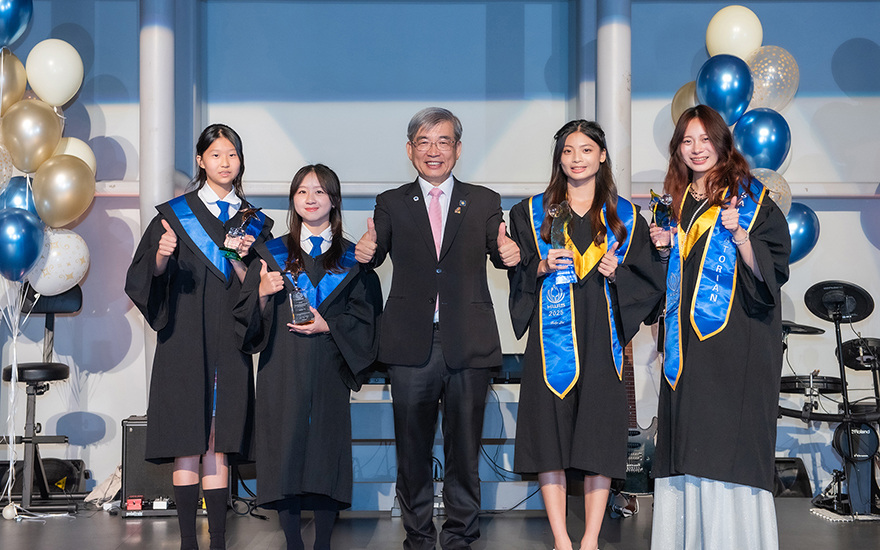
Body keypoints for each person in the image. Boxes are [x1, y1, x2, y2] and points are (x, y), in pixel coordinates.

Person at [355, 107, 520, 550]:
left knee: (464, 451)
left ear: (458, 149)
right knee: (412, 452)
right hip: (411, 345)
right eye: (424, 142)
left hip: (468, 342)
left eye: (443, 141)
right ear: (410, 150)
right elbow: (375, 251)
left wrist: (508, 252)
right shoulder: (391, 202)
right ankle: (418, 537)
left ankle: (461, 536)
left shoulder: (483, 200)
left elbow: (499, 249)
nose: (434, 150)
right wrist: (367, 249)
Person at [507, 120, 665, 550]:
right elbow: (518, 273)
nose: (577, 159)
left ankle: (591, 538)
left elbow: (650, 283)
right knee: (550, 438)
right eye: (568, 151)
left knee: (598, 436)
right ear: (559, 159)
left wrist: (619, 275)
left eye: (586, 150)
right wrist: (540, 266)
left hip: (602, 339)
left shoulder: (626, 217)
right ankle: (561, 538)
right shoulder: (530, 213)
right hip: (550, 343)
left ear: (602, 155)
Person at [648, 105, 791, 550]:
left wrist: (742, 237)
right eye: (687, 141)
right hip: (686, 349)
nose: (696, 149)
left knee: (725, 442)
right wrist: (662, 248)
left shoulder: (749, 198)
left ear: (722, 143)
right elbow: (662, 282)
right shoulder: (672, 204)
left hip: (735, 345)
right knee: (688, 441)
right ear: (677, 149)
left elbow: (772, 272)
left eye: (705, 140)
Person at [125, 124, 273, 550]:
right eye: (216, 155)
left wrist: (242, 261)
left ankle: (219, 541)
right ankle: (188, 541)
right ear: (200, 160)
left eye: (232, 155)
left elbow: (258, 287)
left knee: (218, 441)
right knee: (187, 438)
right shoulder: (175, 215)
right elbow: (144, 278)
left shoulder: (253, 222)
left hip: (229, 338)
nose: (225, 163)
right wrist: (160, 257)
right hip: (184, 337)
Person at [233, 164, 382, 550]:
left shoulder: (353, 259)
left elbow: (367, 317)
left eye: (319, 191)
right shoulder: (270, 254)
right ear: (293, 200)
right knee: (285, 452)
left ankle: (323, 543)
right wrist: (261, 292)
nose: (310, 199)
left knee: (325, 452)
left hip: (329, 365)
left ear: (334, 200)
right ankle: (293, 543)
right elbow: (243, 316)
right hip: (281, 366)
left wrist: (329, 326)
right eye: (302, 191)